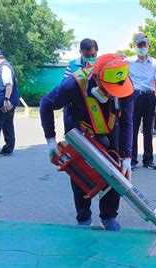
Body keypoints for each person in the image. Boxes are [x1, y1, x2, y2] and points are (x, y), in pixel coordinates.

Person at [40, 54, 134, 230]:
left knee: (114, 170)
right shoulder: (73, 84)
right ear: (97, 79)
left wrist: (127, 156)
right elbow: (46, 103)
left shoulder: (124, 85)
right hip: (80, 130)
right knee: (80, 173)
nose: (112, 95)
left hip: (110, 127)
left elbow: (128, 120)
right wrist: (50, 140)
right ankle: (83, 217)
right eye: (107, 90)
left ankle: (108, 216)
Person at [126, 33, 156, 171]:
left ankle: (148, 160)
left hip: (149, 97)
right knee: (132, 129)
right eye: (139, 45)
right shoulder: (127, 62)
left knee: (148, 130)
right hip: (133, 97)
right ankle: (132, 160)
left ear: (148, 46)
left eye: (144, 45)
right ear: (135, 47)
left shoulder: (155, 63)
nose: (142, 47)